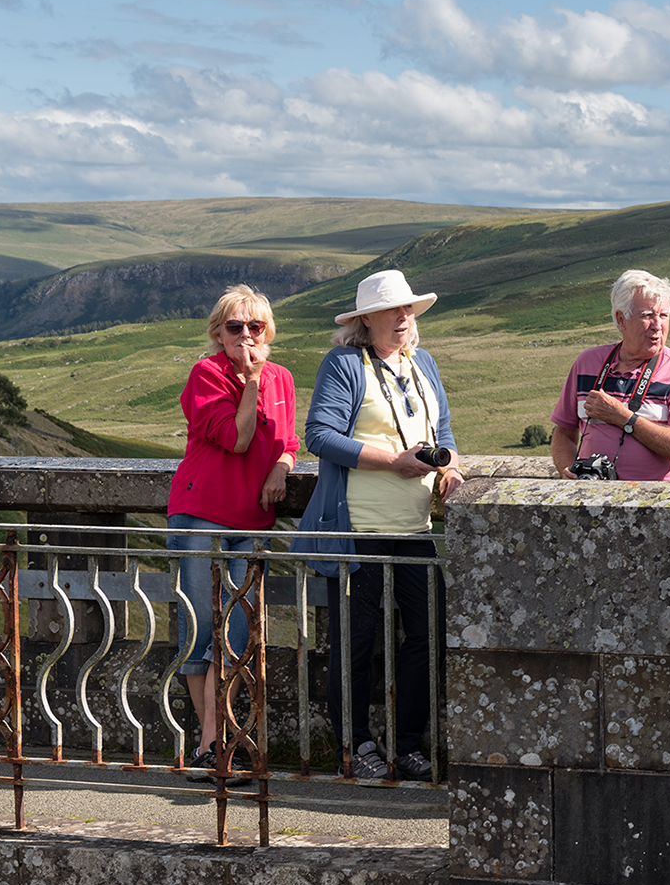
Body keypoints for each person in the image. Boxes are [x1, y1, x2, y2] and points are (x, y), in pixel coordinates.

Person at [296, 270, 464, 782]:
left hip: (414, 528)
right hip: (359, 530)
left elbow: (445, 431)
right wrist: (393, 462)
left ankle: (407, 743)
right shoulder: (344, 363)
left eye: (409, 309)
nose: (404, 317)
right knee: (356, 642)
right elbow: (320, 436)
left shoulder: (423, 363)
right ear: (365, 320)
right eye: (393, 310)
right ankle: (354, 745)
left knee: (426, 636)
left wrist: (449, 466)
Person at [166, 285, 299, 785]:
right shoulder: (208, 374)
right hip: (203, 515)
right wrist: (248, 383)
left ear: (269, 332)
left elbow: (287, 440)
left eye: (256, 327)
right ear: (217, 333)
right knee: (202, 631)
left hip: (250, 521)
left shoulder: (282, 377)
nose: (246, 335)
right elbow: (239, 439)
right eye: (235, 327)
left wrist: (282, 470)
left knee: (237, 637)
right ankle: (210, 745)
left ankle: (223, 741)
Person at [549, 269, 670, 481]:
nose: (657, 326)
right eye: (647, 316)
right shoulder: (587, 363)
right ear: (621, 320)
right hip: (588, 498)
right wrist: (567, 470)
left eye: (663, 315)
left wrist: (623, 418)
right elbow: (563, 433)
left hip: (656, 503)